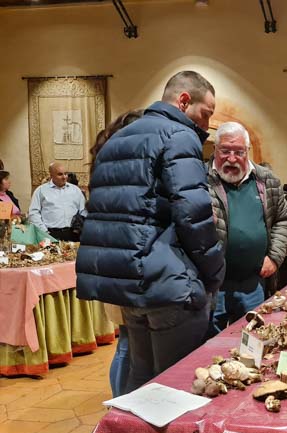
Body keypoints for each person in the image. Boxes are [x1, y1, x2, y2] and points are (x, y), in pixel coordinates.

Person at [76, 71, 225, 393]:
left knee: (140, 380)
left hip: (127, 285)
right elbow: (194, 215)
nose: (206, 124)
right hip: (167, 283)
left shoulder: (117, 139)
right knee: (178, 386)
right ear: (183, 101)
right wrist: (214, 274)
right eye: (205, 113)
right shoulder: (179, 135)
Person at [208, 121, 287, 334]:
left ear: (247, 151)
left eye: (239, 152)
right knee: (210, 343)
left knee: (252, 338)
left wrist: (274, 257)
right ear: (215, 149)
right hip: (213, 285)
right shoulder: (200, 179)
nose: (232, 158)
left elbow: (283, 218)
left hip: (253, 283)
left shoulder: (266, 179)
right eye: (225, 151)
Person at [86, 108, 144, 398]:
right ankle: (121, 404)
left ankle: (121, 402)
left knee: (127, 342)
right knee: (127, 343)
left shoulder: (106, 165)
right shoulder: (124, 170)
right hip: (124, 264)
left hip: (111, 261)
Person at [28, 161, 86, 241]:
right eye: (60, 174)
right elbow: (34, 213)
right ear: (51, 175)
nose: (64, 177)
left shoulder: (75, 190)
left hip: (73, 234)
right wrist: (44, 232)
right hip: (51, 234)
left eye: (66, 174)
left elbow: (83, 211)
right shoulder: (41, 191)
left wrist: (80, 228)